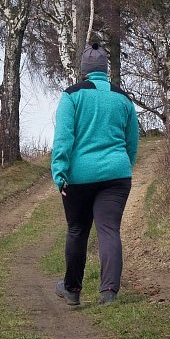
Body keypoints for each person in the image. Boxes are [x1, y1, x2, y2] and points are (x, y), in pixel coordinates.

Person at [51, 41, 139, 306]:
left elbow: (63, 138)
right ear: (105, 70)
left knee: (77, 229)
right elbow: (131, 141)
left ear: (83, 70)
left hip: (79, 178)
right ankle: (108, 292)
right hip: (117, 175)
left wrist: (60, 172)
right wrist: (123, 167)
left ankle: (72, 290)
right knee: (109, 229)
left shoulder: (72, 95)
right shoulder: (123, 98)